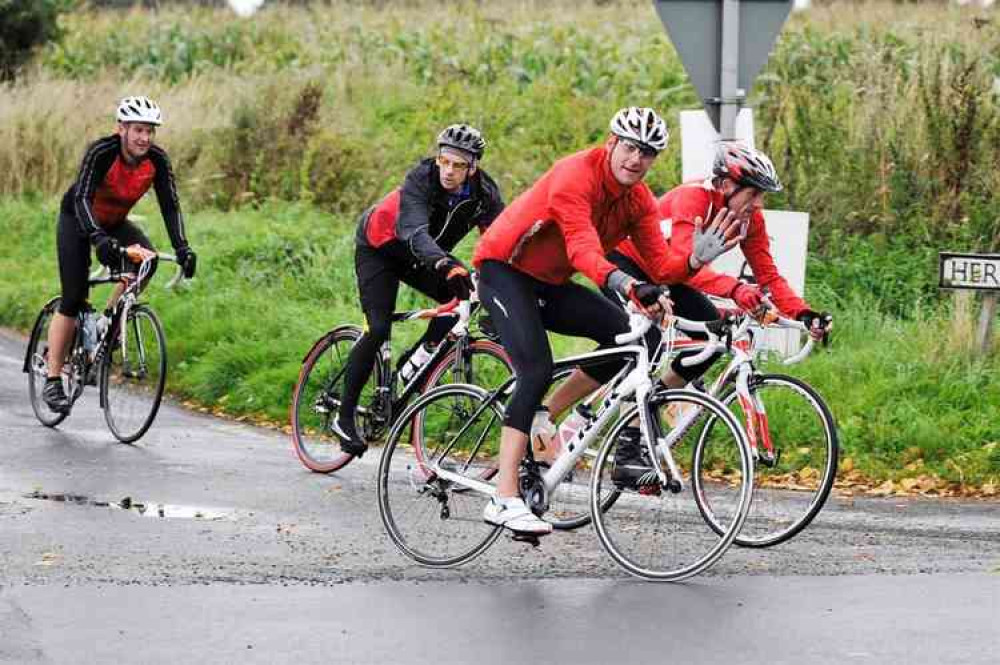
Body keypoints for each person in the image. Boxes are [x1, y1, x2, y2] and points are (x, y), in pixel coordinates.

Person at [472, 107, 740, 535]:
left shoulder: (638, 201)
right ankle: (503, 497)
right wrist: (631, 287)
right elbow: (582, 249)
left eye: (648, 153)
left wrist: (694, 259)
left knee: (636, 341)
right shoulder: (574, 175)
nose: (636, 159)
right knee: (536, 368)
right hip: (504, 271)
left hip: (550, 282)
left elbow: (662, 265)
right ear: (611, 142)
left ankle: (542, 415)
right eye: (631, 147)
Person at [332, 124, 505, 457]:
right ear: (438, 158)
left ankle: (417, 361)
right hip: (381, 248)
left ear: (473, 167)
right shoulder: (421, 178)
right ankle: (344, 417)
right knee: (379, 327)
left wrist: (502, 281)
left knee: (463, 300)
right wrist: (445, 264)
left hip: (425, 255)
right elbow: (413, 229)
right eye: (445, 161)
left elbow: (500, 238)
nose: (449, 171)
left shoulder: (484, 193)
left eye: (458, 165)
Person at [610, 141, 833, 393]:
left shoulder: (750, 219)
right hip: (626, 261)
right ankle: (570, 414)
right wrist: (736, 290)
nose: (759, 204)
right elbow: (683, 265)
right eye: (753, 194)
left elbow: (768, 276)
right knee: (642, 340)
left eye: (762, 196)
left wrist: (804, 313)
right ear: (727, 186)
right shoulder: (693, 198)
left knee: (711, 338)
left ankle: (649, 406)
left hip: (667, 274)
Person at [42, 96, 197, 414]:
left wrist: (183, 247)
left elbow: (170, 206)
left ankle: (107, 322)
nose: (145, 138)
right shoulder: (102, 152)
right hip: (77, 219)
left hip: (114, 222)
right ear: (122, 128)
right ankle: (53, 378)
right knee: (73, 296)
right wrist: (97, 239)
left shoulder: (157, 160)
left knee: (148, 259)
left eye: (150, 131)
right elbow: (83, 198)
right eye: (138, 130)